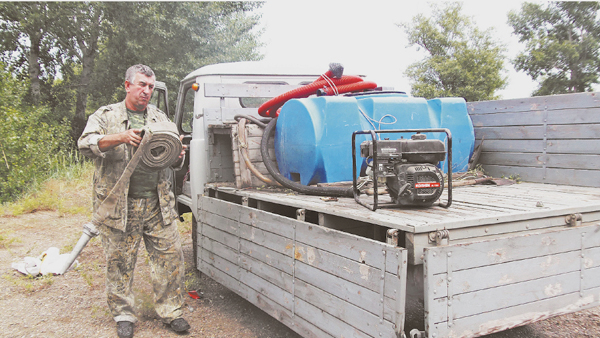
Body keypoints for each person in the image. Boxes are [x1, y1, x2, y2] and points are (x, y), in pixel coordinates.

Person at [78, 64, 190, 338]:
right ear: (127, 85)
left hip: (158, 203)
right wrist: (120, 137)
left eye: (150, 87)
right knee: (119, 262)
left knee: (170, 258)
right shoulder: (106, 115)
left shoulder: (160, 117)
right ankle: (123, 314)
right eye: (141, 85)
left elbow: (174, 161)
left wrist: (178, 155)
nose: (146, 91)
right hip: (120, 205)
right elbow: (84, 144)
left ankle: (171, 311)